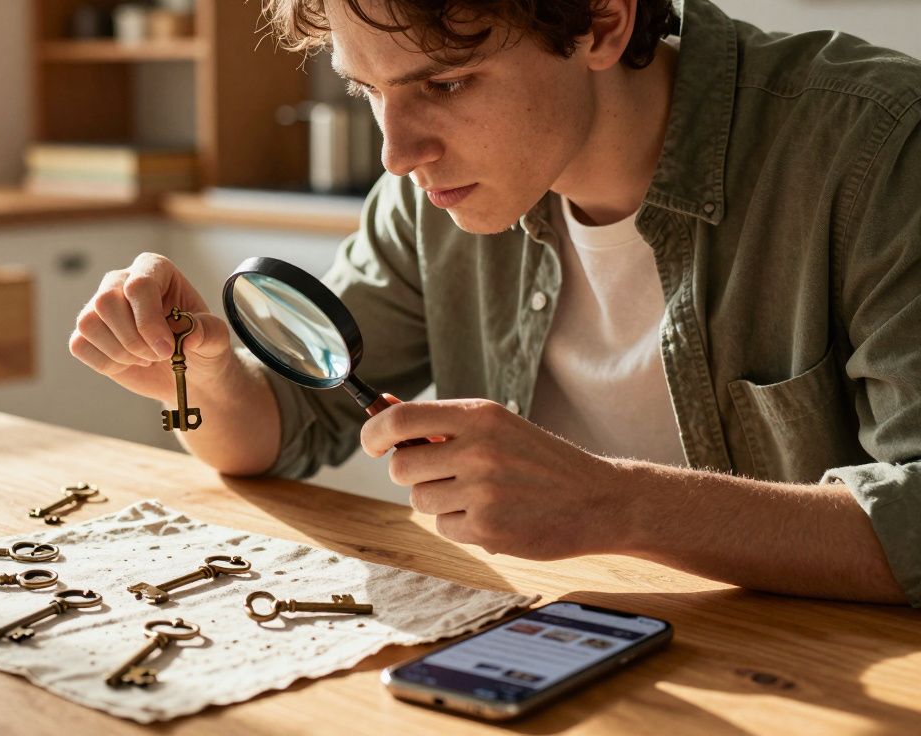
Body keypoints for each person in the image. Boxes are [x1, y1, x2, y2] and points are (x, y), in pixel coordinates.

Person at [70, 0, 920, 607]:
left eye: (444, 85)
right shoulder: (426, 199)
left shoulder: (879, 149)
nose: (397, 153)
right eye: (366, 90)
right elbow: (281, 431)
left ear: (600, 21)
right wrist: (205, 372)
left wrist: (612, 503)